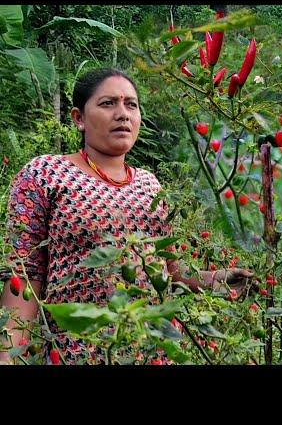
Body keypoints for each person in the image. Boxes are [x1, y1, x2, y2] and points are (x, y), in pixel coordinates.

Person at [0, 68, 253, 365]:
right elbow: (24, 277)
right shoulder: (45, 174)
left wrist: (216, 280)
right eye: (108, 103)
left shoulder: (150, 185)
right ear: (78, 118)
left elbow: (167, 271)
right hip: (79, 353)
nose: (123, 114)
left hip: (153, 352)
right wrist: (8, 356)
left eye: (131, 104)